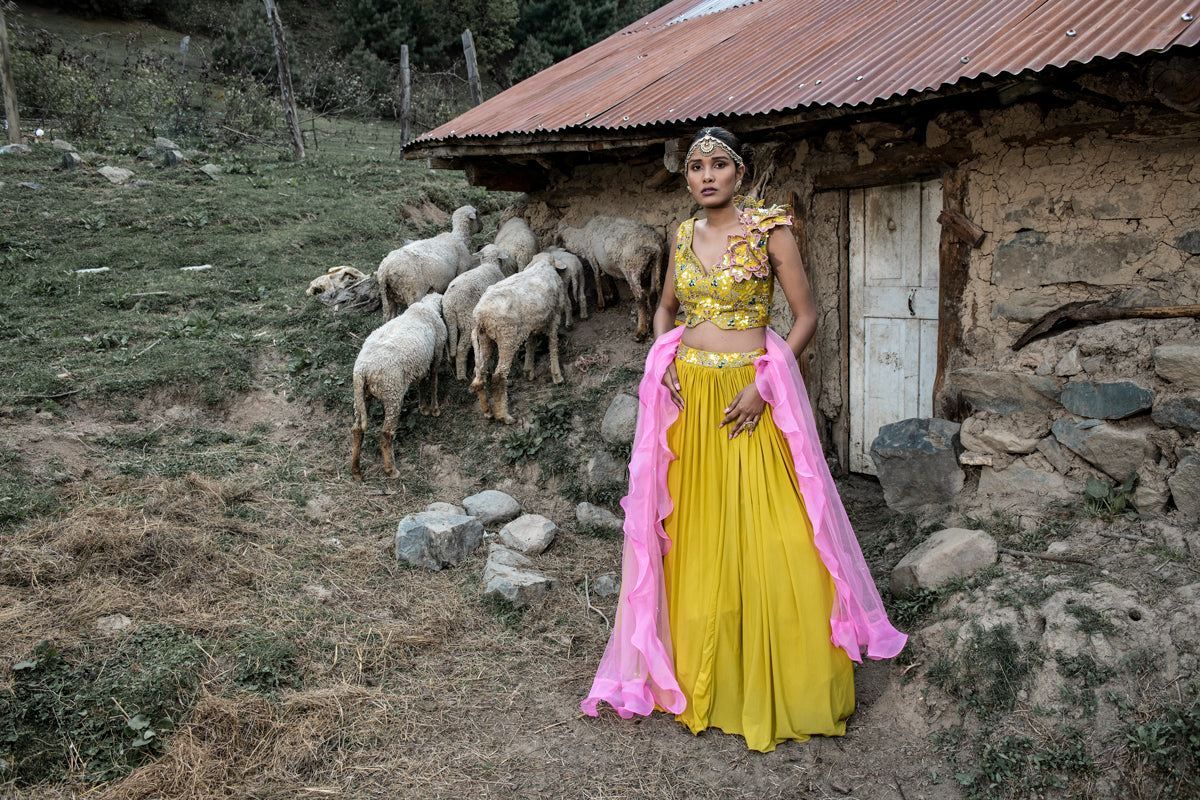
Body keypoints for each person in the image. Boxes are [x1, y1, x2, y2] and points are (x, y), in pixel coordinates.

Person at [581, 127, 907, 752]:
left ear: (740, 173)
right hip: (691, 401)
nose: (707, 176)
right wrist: (663, 358)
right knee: (697, 529)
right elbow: (666, 309)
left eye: (719, 166)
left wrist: (764, 385)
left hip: (748, 401)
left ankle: (788, 676)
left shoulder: (768, 230)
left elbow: (807, 316)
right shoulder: (682, 235)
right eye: (696, 167)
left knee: (776, 526)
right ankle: (706, 673)